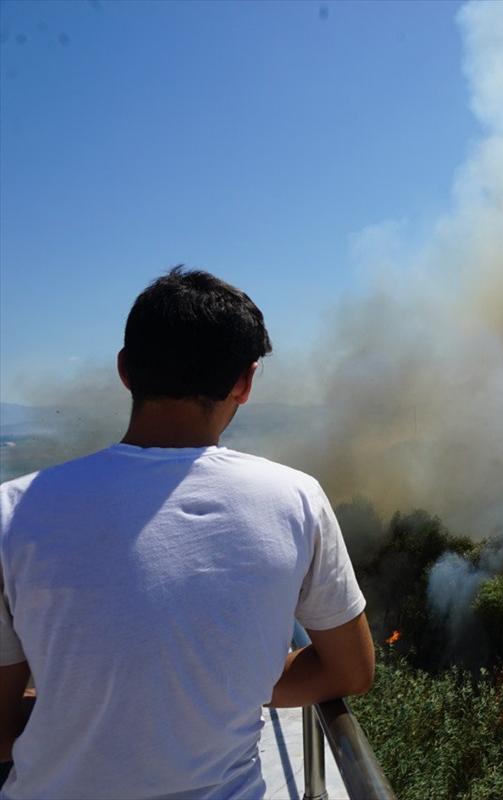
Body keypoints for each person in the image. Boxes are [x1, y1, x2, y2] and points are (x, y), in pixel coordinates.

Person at [0, 267, 373, 799]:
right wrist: (224, 684)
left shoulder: (12, 511)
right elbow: (352, 671)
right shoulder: (296, 500)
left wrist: (72, 699)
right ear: (245, 382)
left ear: (125, 370)